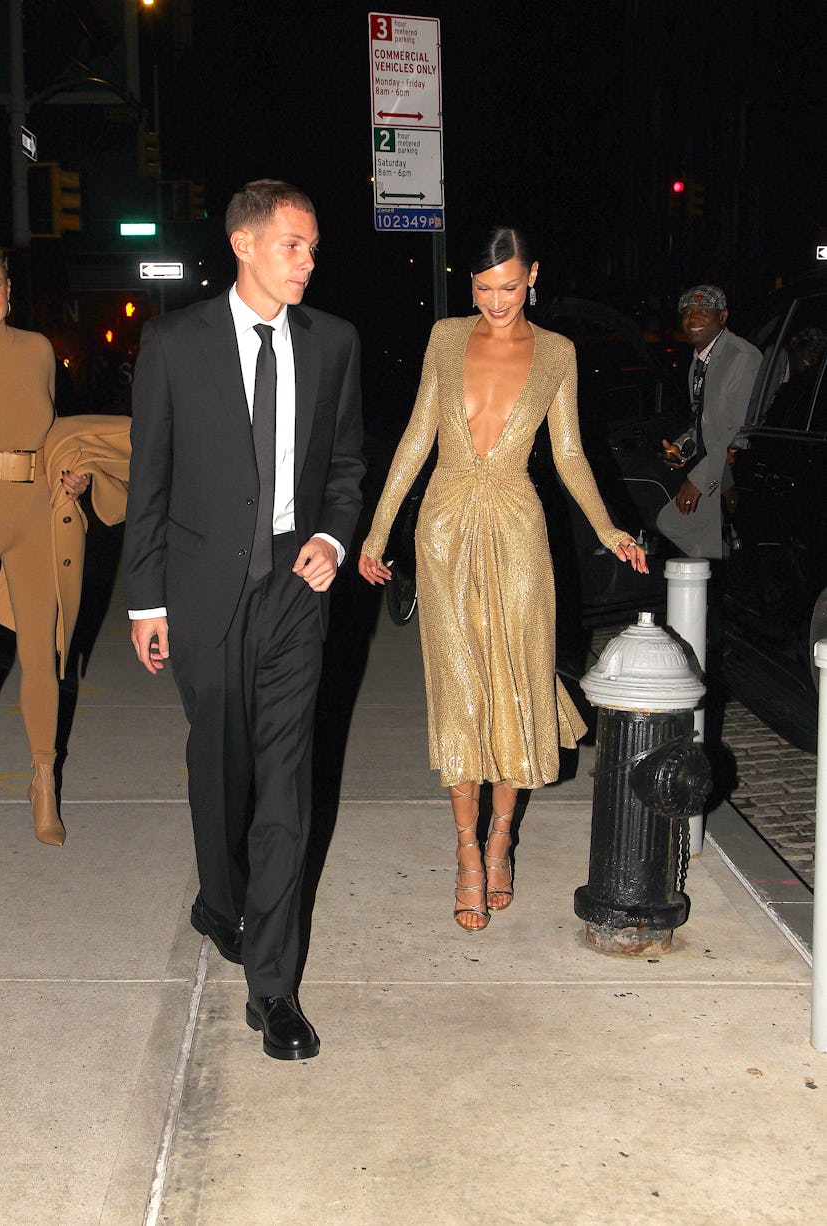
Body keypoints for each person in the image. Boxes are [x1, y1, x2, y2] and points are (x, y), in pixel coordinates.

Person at [124, 180, 364, 1061]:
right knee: (219, 768)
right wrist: (146, 600)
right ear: (246, 244)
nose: (309, 260)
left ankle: (274, 990)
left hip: (294, 593)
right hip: (201, 594)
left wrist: (335, 539)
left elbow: (346, 462)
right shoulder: (176, 343)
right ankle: (219, 904)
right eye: (294, 245)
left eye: (311, 246)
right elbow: (147, 480)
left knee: (284, 786)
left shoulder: (333, 342)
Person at [358, 227, 647, 932]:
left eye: (510, 287)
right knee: (459, 686)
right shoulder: (445, 338)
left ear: (533, 277)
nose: (496, 302)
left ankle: (500, 841)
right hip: (447, 526)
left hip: (519, 529)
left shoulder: (556, 353)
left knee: (517, 680)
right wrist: (377, 528)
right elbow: (417, 435)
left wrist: (609, 528)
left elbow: (571, 452)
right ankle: (463, 852)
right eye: (484, 289)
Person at [0, 250, 107, 846]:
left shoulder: (36, 350)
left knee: (42, 651)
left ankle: (44, 782)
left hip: (32, 512)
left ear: (8, 291)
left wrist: (76, 474)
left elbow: (53, 435)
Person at [656, 285, 762, 559]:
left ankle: (720, 571)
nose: (693, 318)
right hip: (715, 466)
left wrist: (699, 480)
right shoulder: (699, 361)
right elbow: (702, 422)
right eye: (688, 312)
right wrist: (683, 448)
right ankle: (718, 574)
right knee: (683, 532)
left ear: (722, 317)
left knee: (675, 525)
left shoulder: (742, 355)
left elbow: (736, 428)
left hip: (740, 470)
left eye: (703, 311)